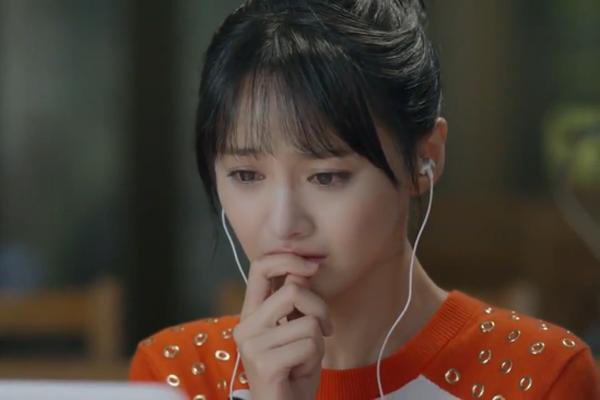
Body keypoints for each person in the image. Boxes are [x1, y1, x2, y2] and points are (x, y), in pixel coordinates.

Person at [129, 0, 600, 398]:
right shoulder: (177, 375)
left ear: (425, 159)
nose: (283, 223)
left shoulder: (541, 376)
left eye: (327, 177)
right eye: (246, 175)